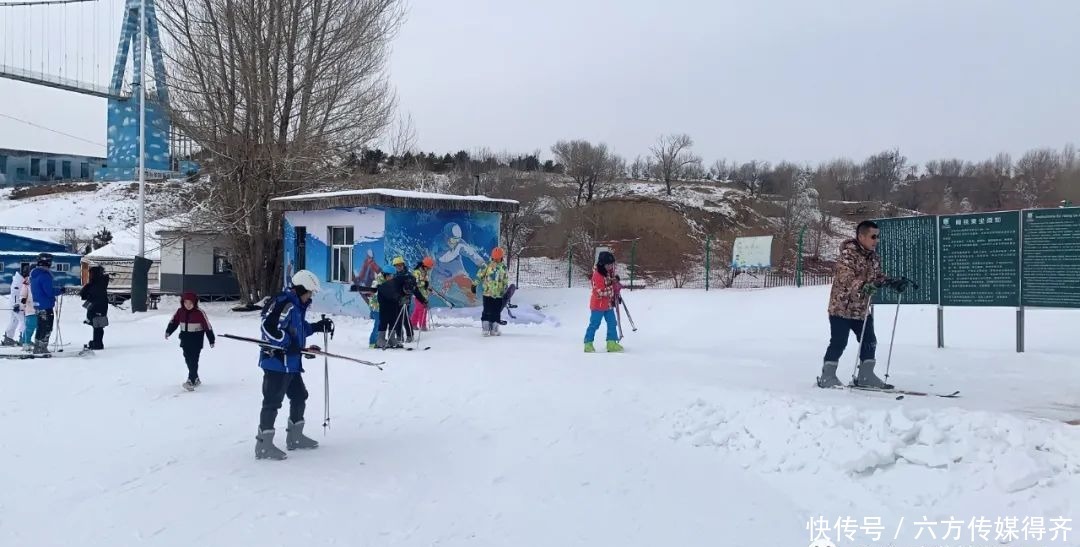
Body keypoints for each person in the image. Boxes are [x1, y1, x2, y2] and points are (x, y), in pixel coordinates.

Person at [817, 220, 912, 389]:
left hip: (861, 308)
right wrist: (863, 286)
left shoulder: (873, 257)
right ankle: (827, 376)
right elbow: (846, 277)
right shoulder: (848, 254)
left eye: (878, 237)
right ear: (861, 237)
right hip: (842, 308)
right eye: (873, 236)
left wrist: (892, 282)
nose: (876, 240)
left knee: (869, 340)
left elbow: (877, 277)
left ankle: (866, 376)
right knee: (839, 341)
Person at [255, 269, 335, 460]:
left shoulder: (297, 305)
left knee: (299, 395)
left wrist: (317, 327)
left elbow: (297, 329)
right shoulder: (284, 303)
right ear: (301, 289)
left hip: (291, 363)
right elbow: (268, 327)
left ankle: (295, 437)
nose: (310, 296)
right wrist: (286, 343)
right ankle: (263, 445)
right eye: (309, 292)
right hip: (276, 362)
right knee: (272, 402)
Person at [165, 292, 216, 391]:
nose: (188, 305)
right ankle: (196, 378)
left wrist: (211, 339)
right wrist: (168, 331)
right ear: (182, 302)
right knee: (188, 359)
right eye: (186, 303)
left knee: (193, 360)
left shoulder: (199, 313)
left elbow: (207, 326)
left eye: (190, 303)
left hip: (196, 340)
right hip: (185, 339)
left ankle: (191, 380)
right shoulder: (180, 311)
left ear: (195, 303)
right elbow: (174, 322)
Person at [584, 251, 623, 353]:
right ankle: (588, 343)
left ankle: (611, 343)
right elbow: (600, 292)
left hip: (608, 305)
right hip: (598, 305)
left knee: (612, 323)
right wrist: (613, 287)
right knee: (595, 324)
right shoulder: (597, 275)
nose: (610, 266)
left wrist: (615, 282)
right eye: (608, 264)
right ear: (602, 264)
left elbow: (609, 282)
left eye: (611, 264)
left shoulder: (608, 272)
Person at [29, 253, 64, 354]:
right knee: (47, 327)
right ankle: (42, 347)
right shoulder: (44, 275)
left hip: (38, 305)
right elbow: (49, 292)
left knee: (41, 326)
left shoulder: (34, 275)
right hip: (46, 305)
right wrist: (60, 290)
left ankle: (37, 346)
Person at [472, 247, 509, 336]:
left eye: (498, 258)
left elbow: (505, 280)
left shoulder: (504, 267)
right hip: (487, 293)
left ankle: (494, 329)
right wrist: (474, 284)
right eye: (495, 258)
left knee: (496, 312)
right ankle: (485, 329)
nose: (496, 260)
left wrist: (505, 290)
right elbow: (480, 275)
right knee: (487, 311)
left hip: (499, 294)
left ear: (501, 257)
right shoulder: (487, 265)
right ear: (492, 257)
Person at [79, 265, 110, 350]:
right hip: (100, 306)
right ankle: (97, 342)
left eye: (91, 274)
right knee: (97, 326)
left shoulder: (97, 283)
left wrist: (87, 291)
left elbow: (91, 295)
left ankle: (97, 343)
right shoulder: (99, 282)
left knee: (97, 326)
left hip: (98, 306)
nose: (90, 276)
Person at [3, 264, 29, 346]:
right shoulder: (18, 281)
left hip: (16, 304)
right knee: (24, 321)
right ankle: (23, 339)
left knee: (14, 321)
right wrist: (16, 305)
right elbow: (15, 294)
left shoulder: (20, 280)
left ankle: (8, 338)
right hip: (17, 305)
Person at [366, 272, 391, 349]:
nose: (391, 278)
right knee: (378, 324)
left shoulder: (385, 282)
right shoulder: (377, 282)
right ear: (386, 275)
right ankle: (373, 342)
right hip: (376, 307)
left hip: (382, 307)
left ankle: (379, 340)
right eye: (390, 276)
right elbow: (372, 294)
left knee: (381, 324)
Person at [410, 256, 435, 331]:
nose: (429, 269)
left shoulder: (425, 272)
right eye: (429, 268)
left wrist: (428, 288)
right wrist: (424, 284)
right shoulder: (416, 272)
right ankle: (422, 325)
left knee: (418, 309)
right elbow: (415, 284)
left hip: (424, 294)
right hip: (418, 295)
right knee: (422, 309)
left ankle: (413, 324)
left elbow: (425, 284)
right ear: (425, 266)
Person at [19, 274, 36, 351]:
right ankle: (26, 343)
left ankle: (37, 343)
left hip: (40, 307)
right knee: (29, 327)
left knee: (38, 327)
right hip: (30, 308)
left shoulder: (41, 279)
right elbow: (23, 293)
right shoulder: (27, 281)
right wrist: (23, 298)